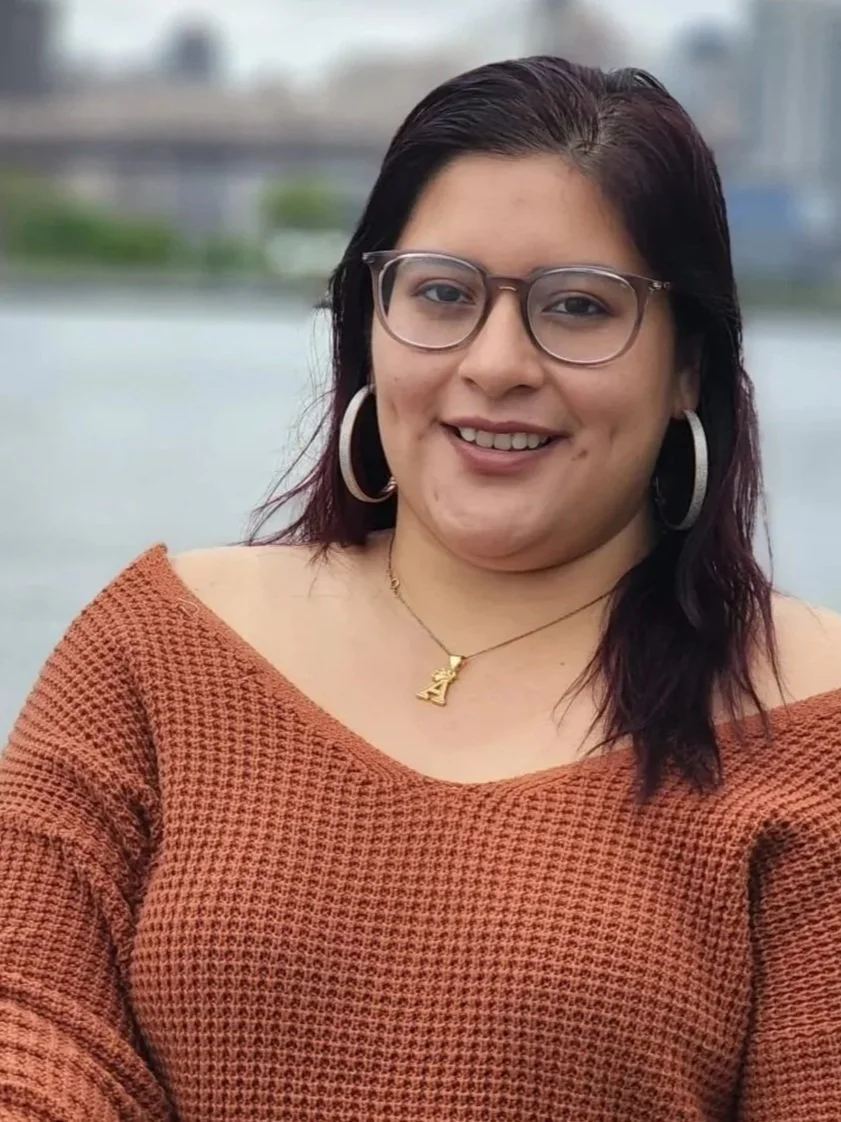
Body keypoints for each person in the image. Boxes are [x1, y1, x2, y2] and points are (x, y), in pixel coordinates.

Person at [1, 56, 839, 1122]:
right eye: (441, 294)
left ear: (689, 368)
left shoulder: (816, 723)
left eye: (578, 308)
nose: (494, 363)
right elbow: (27, 1031)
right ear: (368, 325)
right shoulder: (157, 646)